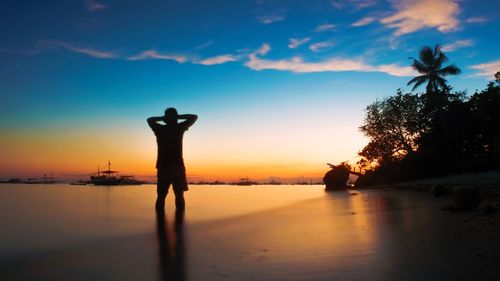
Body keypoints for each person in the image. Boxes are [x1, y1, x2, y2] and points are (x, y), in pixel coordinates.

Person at [148, 108, 197, 210]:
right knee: (179, 194)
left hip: (164, 166)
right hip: (176, 166)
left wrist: (165, 118)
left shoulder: (159, 129)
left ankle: (161, 223)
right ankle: (178, 222)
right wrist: (176, 117)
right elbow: (193, 117)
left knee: (161, 196)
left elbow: (150, 119)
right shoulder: (179, 127)